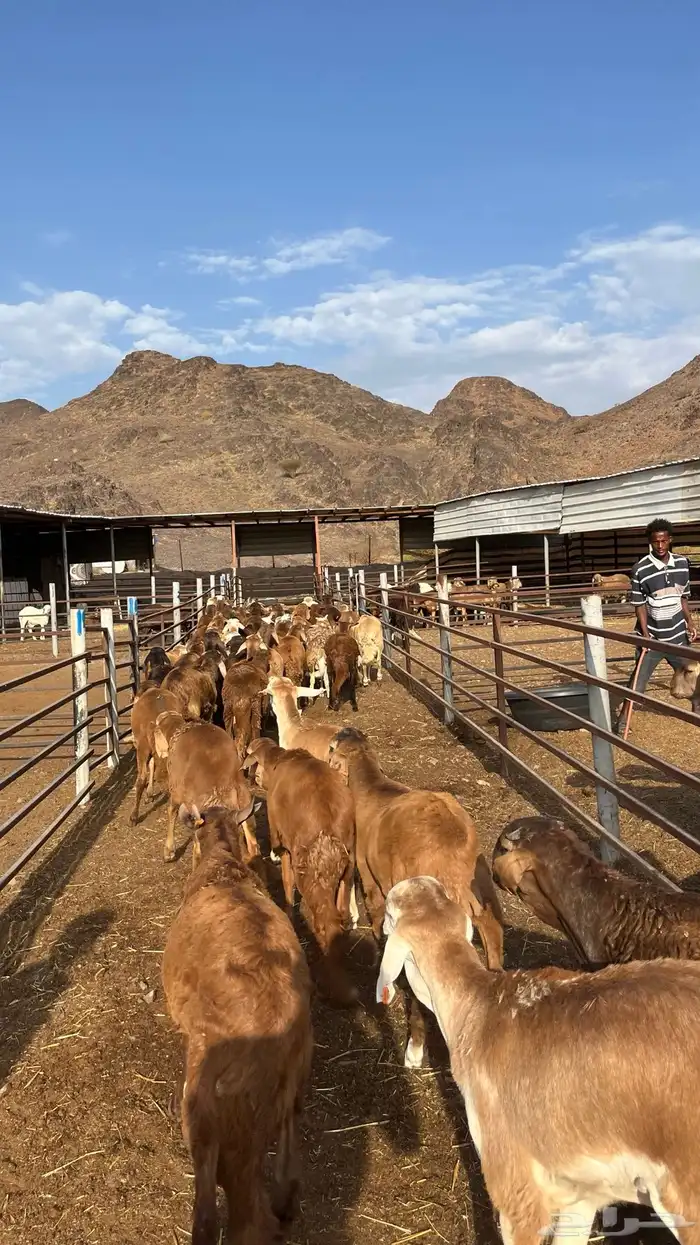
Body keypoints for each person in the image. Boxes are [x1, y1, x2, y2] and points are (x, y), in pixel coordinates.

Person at [614, 517, 696, 731]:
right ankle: (623, 721)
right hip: (653, 638)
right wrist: (646, 636)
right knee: (638, 681)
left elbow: (683, 597)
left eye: (663, 541)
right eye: (655, 542)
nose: (659, 546)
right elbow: (639, 605)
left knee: (692, 672)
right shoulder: (641, 569)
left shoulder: (682, 564)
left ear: (670, 540)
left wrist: (690, 622)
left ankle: (697, 709)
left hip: (678, 635)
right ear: (650, 542)